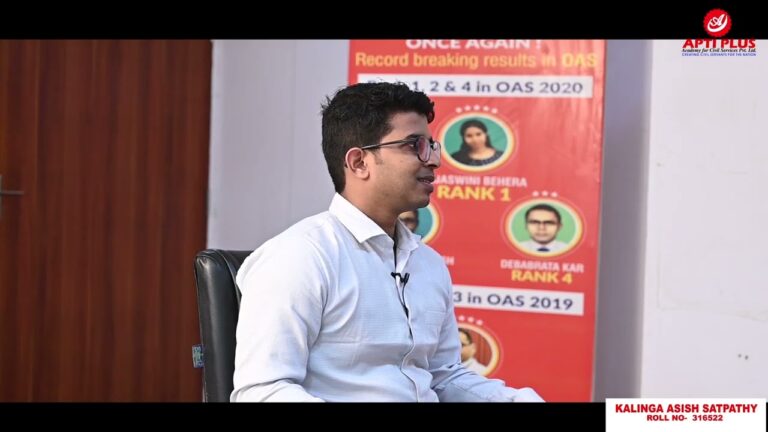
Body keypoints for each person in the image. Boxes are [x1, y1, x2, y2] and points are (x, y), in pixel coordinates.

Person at [231, 82, 543, 402]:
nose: (433, 160)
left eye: (431, 146)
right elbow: (262, 391)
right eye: (414, 145)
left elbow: (443, 376)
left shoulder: (427, 263)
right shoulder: (300, 256)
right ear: (359, 162)